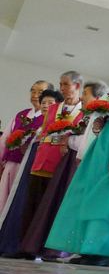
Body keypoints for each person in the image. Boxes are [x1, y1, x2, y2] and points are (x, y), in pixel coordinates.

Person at [45, 52, 109, 265]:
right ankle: (85, 247)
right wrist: (98, 125)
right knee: (87, 192)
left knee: (108, 196)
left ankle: (102, 249)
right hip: (101, 143)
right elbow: (95, 125)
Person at [18, 72, 85, 258]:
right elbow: (44, 132)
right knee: (32, 205)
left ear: (77, 86)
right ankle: (27, 247)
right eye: (60, 84)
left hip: (63, 164)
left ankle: (51, 249)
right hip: (42, 160)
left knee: (54, 206)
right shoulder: (54, 108)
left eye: (66, 84)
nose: (62, 88)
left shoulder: (83, 111)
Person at [0, 89, 62, 255]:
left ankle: (30, 246)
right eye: (43, 103)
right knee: (21, 203)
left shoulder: (59, 125)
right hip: (30, 166)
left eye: (50, 103)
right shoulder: (37, 127)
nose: (46, 106)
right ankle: (13, 244)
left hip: (46, 170)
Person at [0, 81, 51, 212]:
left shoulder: (49, 118)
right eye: (33, 91)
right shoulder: (21, 115)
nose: (35, 95)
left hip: (30, 168)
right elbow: (5, 139)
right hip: (11, 163)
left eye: (40, 92)